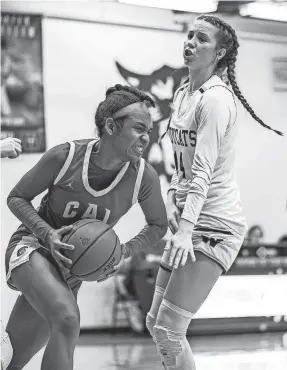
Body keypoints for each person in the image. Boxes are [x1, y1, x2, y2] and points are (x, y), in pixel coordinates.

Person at [145, 14, 283, 370]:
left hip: (216, 226)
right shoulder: (182, 94)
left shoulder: (216, 100)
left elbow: (203, 170)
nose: (191, 42)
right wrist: (173, 200)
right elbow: (182, 165)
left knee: (169, 330)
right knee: (155, 323)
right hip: (191, 220)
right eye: (190, 35)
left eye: (202, 39)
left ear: (220, 53)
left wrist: (187, 228)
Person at [2, 84, 168, 370]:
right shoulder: (65, 157)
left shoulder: (144, 177)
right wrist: (47, 233)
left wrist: (124, 251)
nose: (145, 138)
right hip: (33, 248)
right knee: (68, 320)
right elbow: (16, 198)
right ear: (111, 126)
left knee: (11, 361)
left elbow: (158, 225)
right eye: (139, 128)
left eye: (149, 132)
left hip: (71, 272)